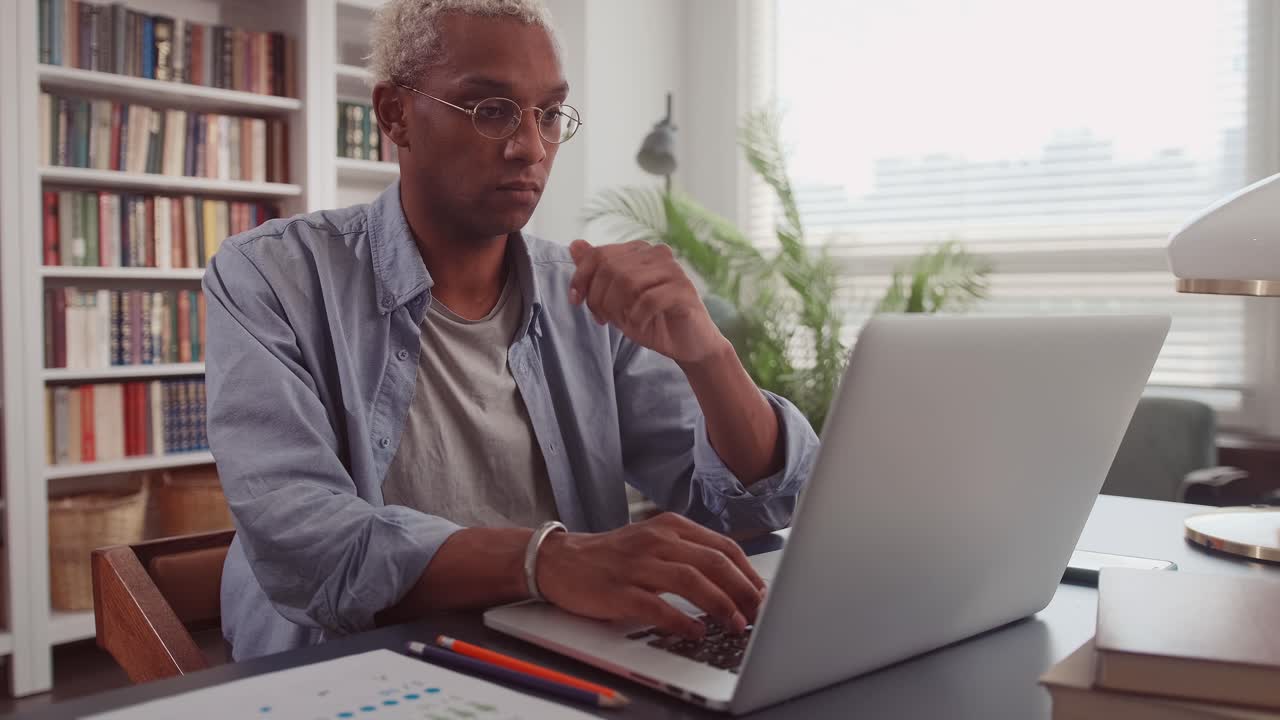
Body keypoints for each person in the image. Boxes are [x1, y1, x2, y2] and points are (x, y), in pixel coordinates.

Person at [204, 0, 819, 661]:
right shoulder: (270, 275)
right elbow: (305, 543)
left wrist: (710, 355)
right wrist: (546, 561)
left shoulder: (581, 294)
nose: (530, 146)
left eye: (549, 114)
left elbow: (752, 513)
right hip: (353, 665)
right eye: (491, 109)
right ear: (394, 115)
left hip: (567, 656)